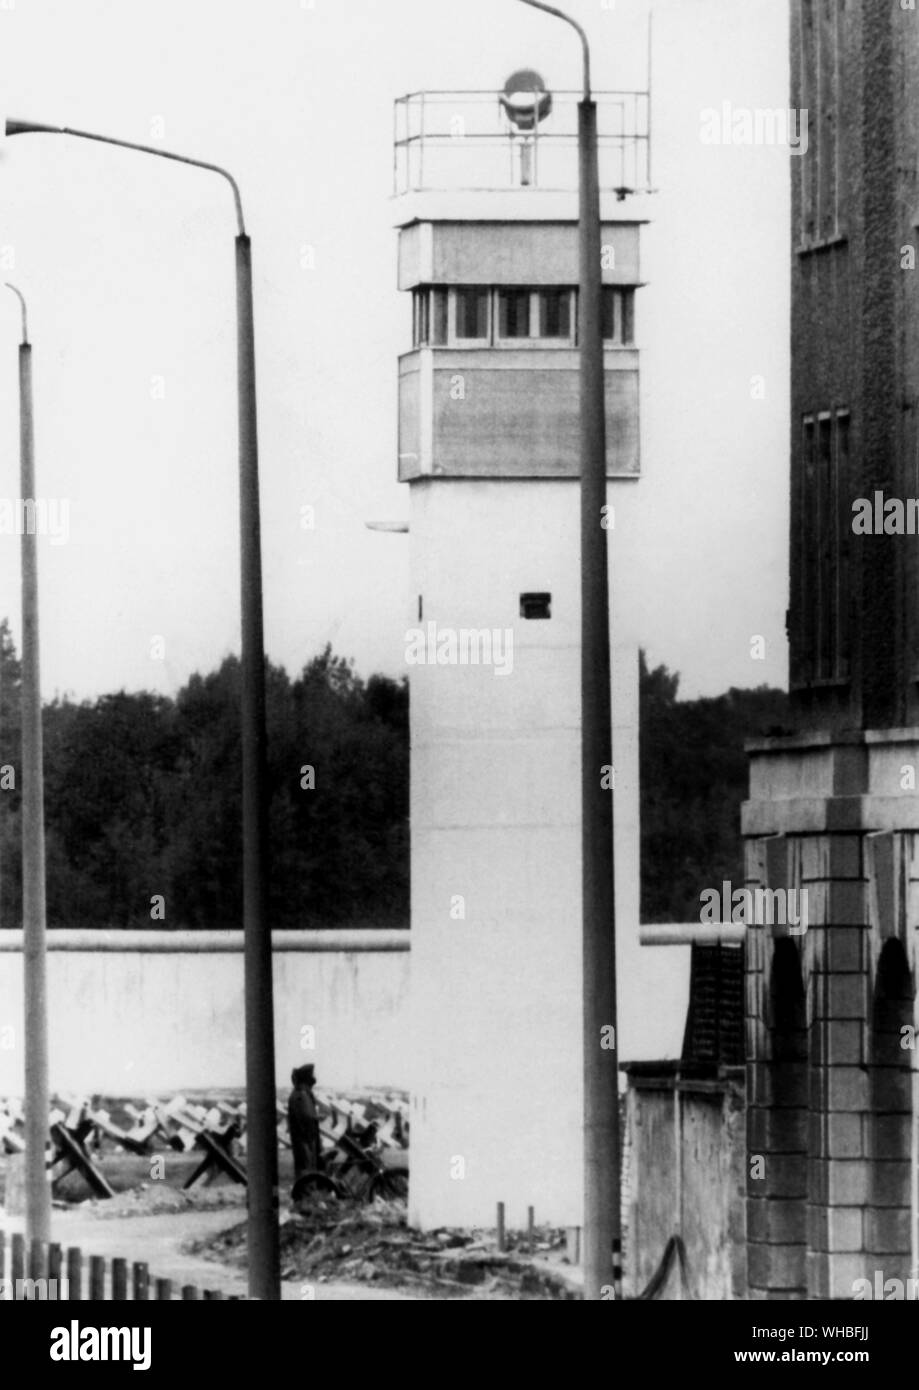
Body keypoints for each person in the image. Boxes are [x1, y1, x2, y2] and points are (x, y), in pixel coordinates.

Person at [288, 1064, 321, 1186]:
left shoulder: (302, 1094)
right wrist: (316, 1118)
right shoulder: (301, 1095)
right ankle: (305, 1195)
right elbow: (307, 1117)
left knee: (308, 1169)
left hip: (306, 1140)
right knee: (306, 1169)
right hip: (304, 1140)